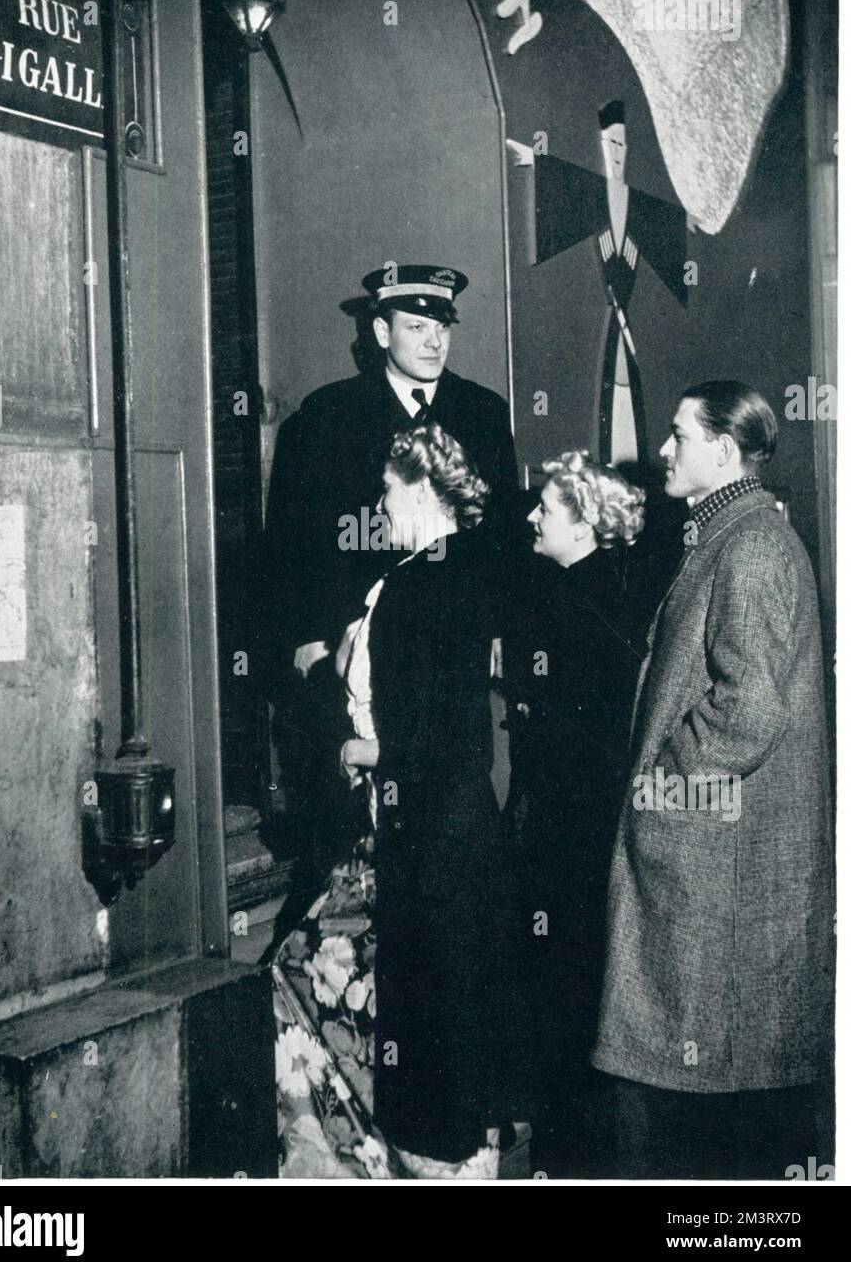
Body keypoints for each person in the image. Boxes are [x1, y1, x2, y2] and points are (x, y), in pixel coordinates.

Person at [591, 381, 834, 1179]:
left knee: (684, 1116)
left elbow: (750, 711)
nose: (662, 449)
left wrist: (662, 794)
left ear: (723, 452)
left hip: (715, 878)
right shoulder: (729, 536)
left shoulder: (752, 546)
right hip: (711, 873)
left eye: (677, 435)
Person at [271, 424, 524, 1178]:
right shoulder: (476, 572)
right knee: (458, 1036)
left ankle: (375, 1161)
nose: (381, 504)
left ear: (418, 491)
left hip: (423, 843)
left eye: (389, 489)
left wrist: (354, 750)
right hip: (466, 835)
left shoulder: (414, 586)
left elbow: (430, 738)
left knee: (407, 1021)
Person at [263, 264, 519, 885]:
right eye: (416, 326)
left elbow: (504, 539)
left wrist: (499, 628)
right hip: (350, 645)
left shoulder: (483, 413)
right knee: (353, 832)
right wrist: (308, 633)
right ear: (381, 332)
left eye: (442, 327)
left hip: (446, 648)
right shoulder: (328, 414)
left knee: (442, 801)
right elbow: (294, 541)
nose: (433, 340)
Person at [504, 450, 646, 1177]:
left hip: (571, 835)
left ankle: (569, 1153)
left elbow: (575, 739)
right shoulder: (592, 589)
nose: (531, 517)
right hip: (579, 831)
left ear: (586, 523)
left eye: (547, 510)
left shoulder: (577, 602)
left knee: (566, 987)